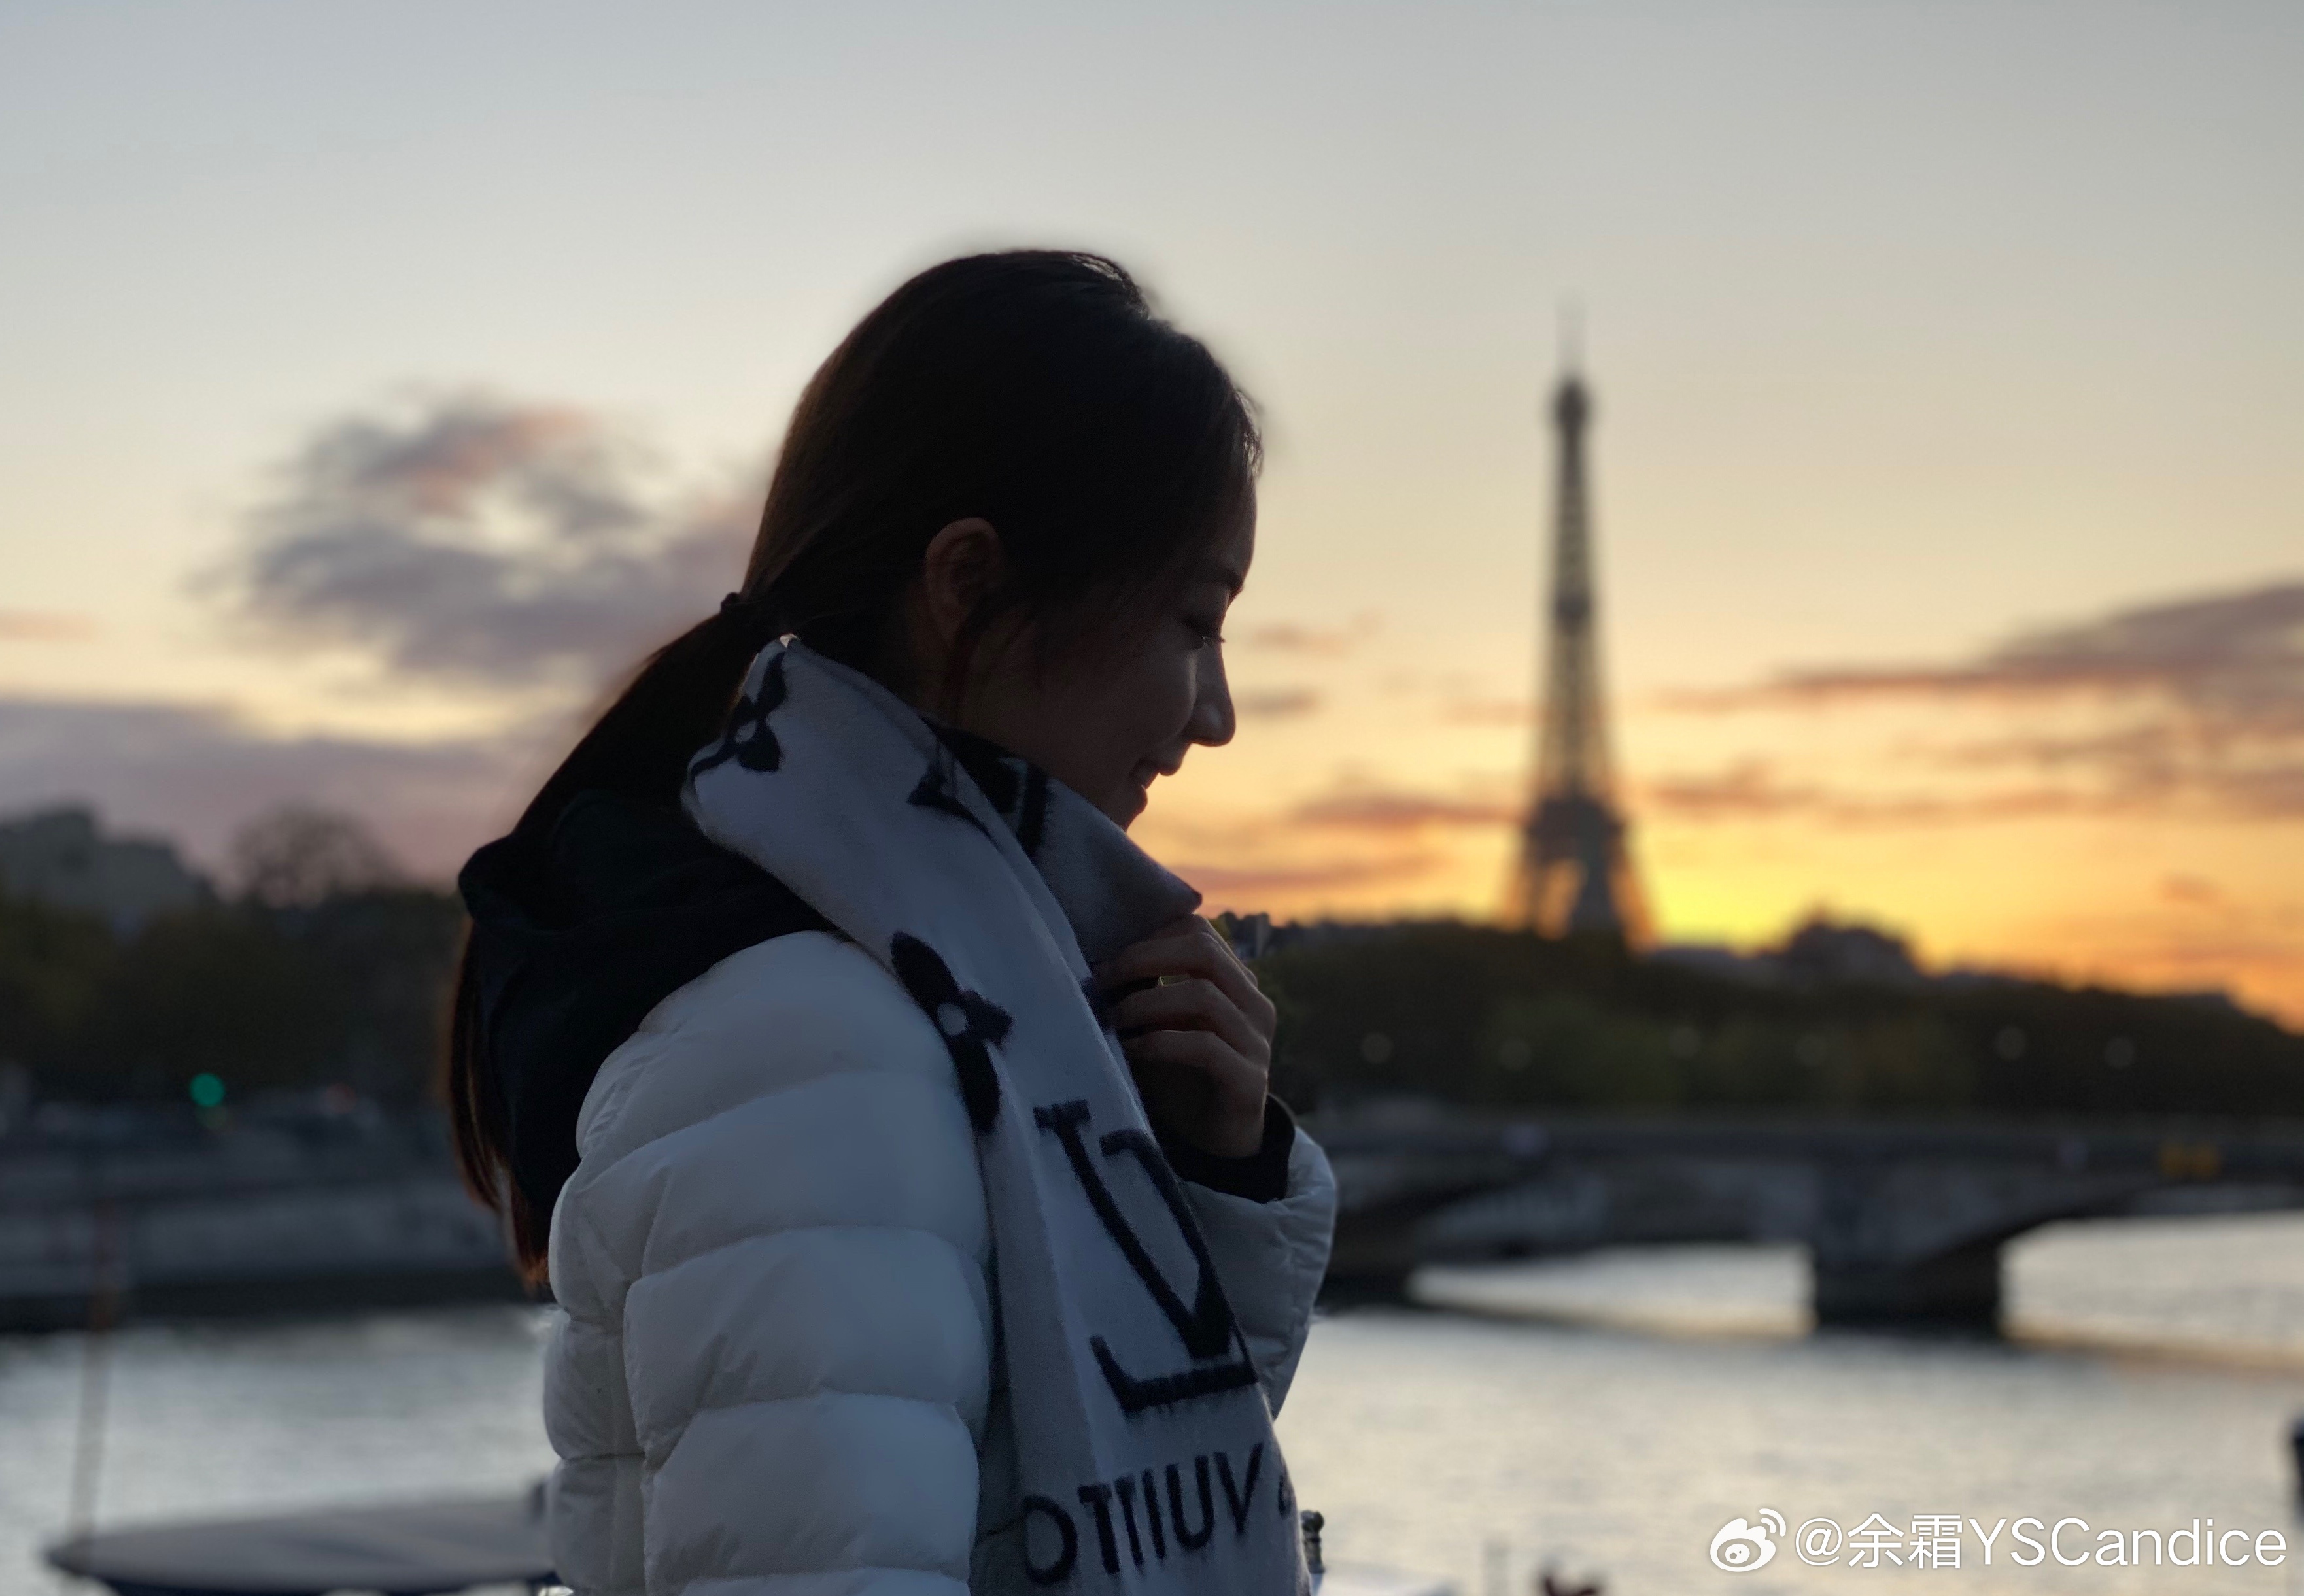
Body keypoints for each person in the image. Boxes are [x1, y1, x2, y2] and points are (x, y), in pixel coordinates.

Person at [447, 250, 1338, 1596]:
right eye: (1195, 623)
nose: (1214, 714)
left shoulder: (946, 1005)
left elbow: (1076, 1480)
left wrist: (1212, 1180)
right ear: (969, 586)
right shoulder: (815, 1046)